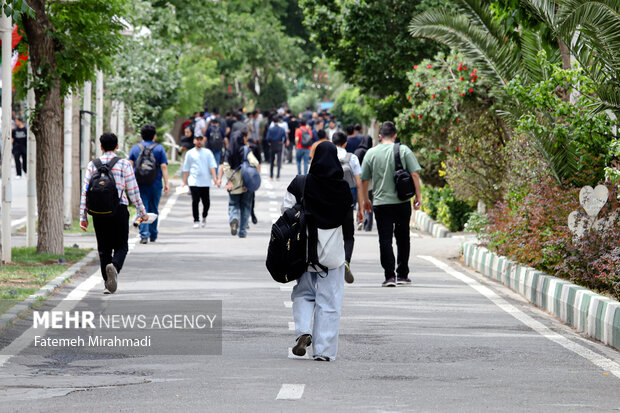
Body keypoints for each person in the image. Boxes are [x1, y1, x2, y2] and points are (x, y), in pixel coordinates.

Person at [283, 141, 352, 361]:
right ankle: (323, 351)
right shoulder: (343, 188)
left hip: (303, 251)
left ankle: (303, 330)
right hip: (332, 254)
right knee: (329, 301)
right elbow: (348, 227)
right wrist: (348, 256)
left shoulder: (300, 182)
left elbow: (286, 212)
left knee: (303, 293)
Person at [80, 133, 148, 294]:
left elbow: (85, 191)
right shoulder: (124, 164)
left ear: (101, 147)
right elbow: (133, 190)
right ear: (117, 146)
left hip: (98, 212)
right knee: (121, 246)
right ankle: (115, 266)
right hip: (119, 210)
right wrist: (142, 212)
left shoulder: (92, 165)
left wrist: (83, 216)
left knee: (103, 249)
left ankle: (107, 284)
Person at [360, 121, 422, 287]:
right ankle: (402, 274)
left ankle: (389, 276)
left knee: (385, 239)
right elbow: (414, 175)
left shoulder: (371, 153)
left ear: (380, 136)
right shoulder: (404, 150)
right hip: (402, 202)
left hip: (381, 203)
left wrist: (366, 200)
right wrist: (418, 197)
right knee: (403, 238)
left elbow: (364, 179)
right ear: (395, 135)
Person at [129, 124, 170, 244]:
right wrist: (166, 183)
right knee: (154, 208)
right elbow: (163, 166)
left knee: (142, 208)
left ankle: (144, 235)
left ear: (141, 135)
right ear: (154, 136)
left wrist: (128, 182)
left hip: (139, 183)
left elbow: (130, 164)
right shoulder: (159, 148)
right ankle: (153, 234)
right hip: (155, 183)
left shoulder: (135, 148)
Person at [332, 132, 364, 283]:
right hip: (347, 204)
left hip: (329, 204)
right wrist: (360, 208)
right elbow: (358, 184)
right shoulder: (352, 158)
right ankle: (346, 261)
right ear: (345, 143)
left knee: (330, 234)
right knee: (349, 236)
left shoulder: (327, 157)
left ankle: (331, 264)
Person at [221, 130, 260, 238]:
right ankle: (242, 231)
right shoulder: (246, 149)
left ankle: (234, 218)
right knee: (246, 207)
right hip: (246, 184)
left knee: (233, 204)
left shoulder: (229, 151)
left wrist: (230, 180)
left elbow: (226, 168)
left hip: (234, 185)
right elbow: (255, 163)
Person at [182, 135, 220, 228]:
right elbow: (186, 168)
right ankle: (196, 220)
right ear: (194, 141)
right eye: (197, 140)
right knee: (195, 201)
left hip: (205, 181)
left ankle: (204, 216)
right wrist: (184, 182)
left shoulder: (208, 152)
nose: (199, 141)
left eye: (201, 140)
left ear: (203, 141)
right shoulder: (190, 153)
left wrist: (215, 178)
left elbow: (212, 166)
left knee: (206, 202)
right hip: (193, 181)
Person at [354, 135, 374, 231]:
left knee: (359, 200)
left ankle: (360, 220)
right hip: (369, 180)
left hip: (359, 179)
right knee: (369, 201)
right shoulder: (371, 152)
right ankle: (368, 225)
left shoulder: (357, 151)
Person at [266, 116, 287, 180]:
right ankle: (278, 176)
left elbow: (267, 138)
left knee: (272, 161)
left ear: (273, 121)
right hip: (279, 144)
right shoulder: (282, 129)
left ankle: (271, 176)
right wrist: (284, 142)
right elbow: (285, 138)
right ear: (278, 121)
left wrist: (269, 142)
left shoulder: (270, 129)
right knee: (279, 160)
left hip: (272, 145)